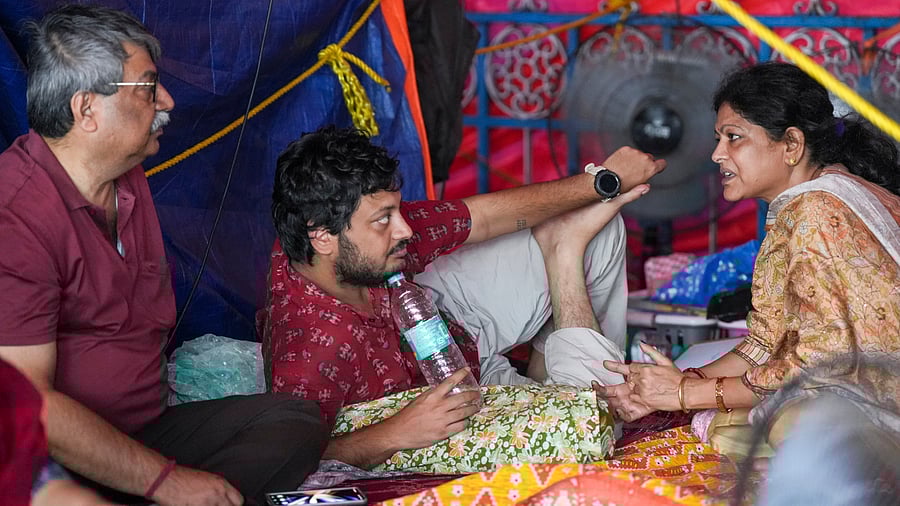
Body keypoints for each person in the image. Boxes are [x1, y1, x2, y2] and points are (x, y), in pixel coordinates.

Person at [0, 5, 328, 506]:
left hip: (144, 433)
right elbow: (30, 406)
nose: (168, 101)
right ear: (86, 109)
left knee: (294, 421)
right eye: (148, 88)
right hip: (56, 460)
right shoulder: (16, 214)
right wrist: (165, 482)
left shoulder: (125, 175)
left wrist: (159, 471)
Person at [262, 125, 666, 469]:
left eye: (396, 211)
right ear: (322, 237)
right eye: (384, 219)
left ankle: (551, 364)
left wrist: (602, 182)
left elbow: (482, 217)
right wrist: (395, 433)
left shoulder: (352, 241)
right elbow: (285, 462)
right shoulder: (308, 353)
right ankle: (565, 256)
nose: (405, 229)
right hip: (447, 394)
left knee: (602, 228)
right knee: (596, 421)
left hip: (444, 319)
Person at [596, 62, 900, 451]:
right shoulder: (805, 203)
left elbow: (820, 366)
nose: (716, 154)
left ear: (791, 145)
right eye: (718, 139)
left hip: (879, 402)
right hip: (848, 392)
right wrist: (673, 385)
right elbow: (765, 344)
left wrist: (685, 394)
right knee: (726, 421)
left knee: (788, 429)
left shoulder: (818, 212)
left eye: (733, 137)